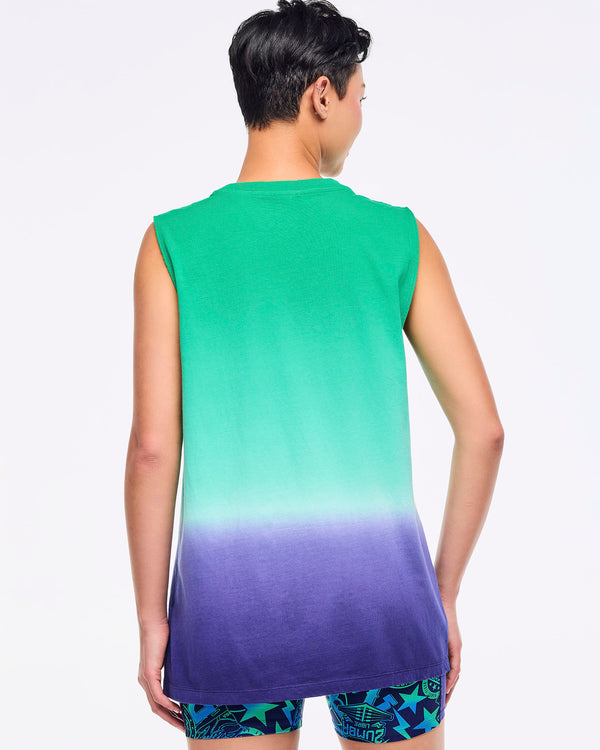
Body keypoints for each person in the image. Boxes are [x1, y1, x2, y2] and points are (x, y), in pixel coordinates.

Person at [124, 1, 504, 747]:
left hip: (229, 612)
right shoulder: (398, 235)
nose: (360, 117)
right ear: (321, 95)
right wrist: (441, 590)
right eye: (361, 96)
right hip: (385, 601)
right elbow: (484, 430)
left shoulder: (171, 242)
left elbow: (151, 449)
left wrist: (150, 619)